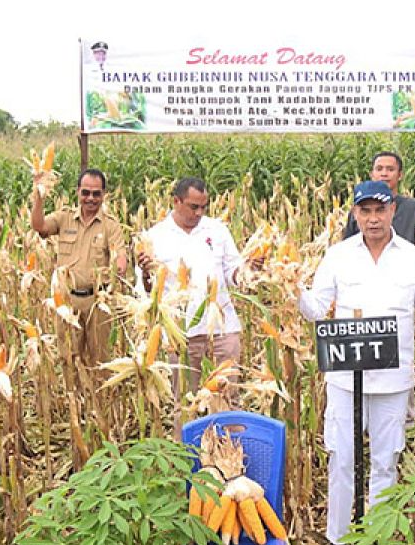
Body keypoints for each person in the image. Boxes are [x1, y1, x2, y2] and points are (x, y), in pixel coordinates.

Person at [299, 180, 415, 545]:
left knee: (385, 460)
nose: (373, 218)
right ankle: (339, 538)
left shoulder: (413, 257)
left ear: (393, 210)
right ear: (355, 214)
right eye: (365, 211)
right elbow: (317, 308)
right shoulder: (338, 255)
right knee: (342, 457)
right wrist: (292, 289)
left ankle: (378, 538)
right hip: (346, 379)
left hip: (394, 380)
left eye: (380, 210)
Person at [139, 177, 256, 395]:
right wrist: (146, 274)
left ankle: (229, 430)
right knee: (184, 401)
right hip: (181, 334)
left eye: (203, 207)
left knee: (228, 397)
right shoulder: (155, 236)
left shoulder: (218, 230)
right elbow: (147, 293)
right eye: (194, 207)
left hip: (223, 327)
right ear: (176, 201)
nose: (199, 213)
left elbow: (233, 272)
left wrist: (249, 271)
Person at [31, 168, 128, 367]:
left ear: (104, 195)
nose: (90, 198)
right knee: (69, 359)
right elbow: (39, 226)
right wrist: (39, 195)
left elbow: (120, 256)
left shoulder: (110, 225)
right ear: (78, 192)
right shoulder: (64, 218)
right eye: (85, 192)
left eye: (96, 194)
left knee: (100, 361)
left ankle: (99, 398)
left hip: (97, 302)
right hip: (67, 302)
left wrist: (118, 267)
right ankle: (72, 397)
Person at [341, 151, 415, 244]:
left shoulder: (413, 207)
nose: (384, 173)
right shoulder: (360, 208)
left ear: (400, 175)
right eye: (379, 169)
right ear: (371, 174)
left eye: (390, 169)